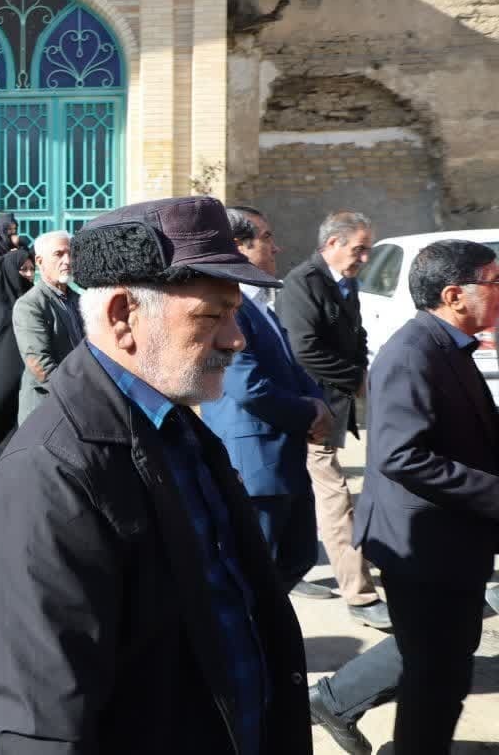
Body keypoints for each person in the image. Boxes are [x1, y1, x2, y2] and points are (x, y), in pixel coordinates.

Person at [0, 196, 310, 755]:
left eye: (234, 313)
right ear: (122, 316)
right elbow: (46, 722)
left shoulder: (177, 424)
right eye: (212, 316)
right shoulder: (51, 473)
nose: (236, 339)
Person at [354, 240, 499, 753]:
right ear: (454, 295)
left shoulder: (450, 345)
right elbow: (402, 456)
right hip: (422, 547)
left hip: (450, 542)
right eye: (495, 282)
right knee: (434, 678)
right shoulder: (413, 353)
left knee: (447, 671)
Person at [199, 206, 334, 598]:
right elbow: (248, 386)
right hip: (255, 465)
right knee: (255, 578)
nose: (277, 248)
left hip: (283, 459)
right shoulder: (228, 308)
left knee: (295, 559)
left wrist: (319, 405)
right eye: (267, 238)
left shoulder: (259, 304)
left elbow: (291, 367)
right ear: (238, 247)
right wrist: (309, 413)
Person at [276, 211, 390, 630]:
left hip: (335, 404)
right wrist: (355, 378)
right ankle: (360, 595)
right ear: (332, 244)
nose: (365, 257)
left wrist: (361, 369)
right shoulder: (302, 284)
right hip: (312, 409)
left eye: (368, 249)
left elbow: (356, 334)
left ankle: (289, 570)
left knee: (313, 496)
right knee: (335, 499)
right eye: (359, 248)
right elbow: (304, 349)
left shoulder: (345, 281)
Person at [13, 229, 85, 423]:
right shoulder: (30, 305)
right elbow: (39, 364)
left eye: (70, 254)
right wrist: (79, 392)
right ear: (39, 261)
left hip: (79, 405)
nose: (67, 261)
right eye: (59, 254)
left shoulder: (78, 300)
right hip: (47, 408)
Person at [0, 249, 34, 454]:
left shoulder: (34, 303)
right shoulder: (1, 307)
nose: (29, 275)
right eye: (23, 269)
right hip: (2, 386)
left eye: (31, 269)